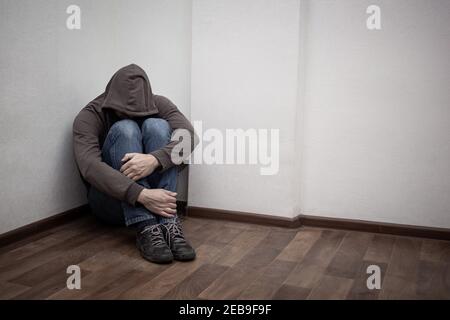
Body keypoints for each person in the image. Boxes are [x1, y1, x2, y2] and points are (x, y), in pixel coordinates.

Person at [72, 64, 197, 264]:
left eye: (139, 112)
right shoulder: (88, 116)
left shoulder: (159, 103)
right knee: (125, 129)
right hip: (111, 204)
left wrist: (155, 160)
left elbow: (189, 137)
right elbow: (89, 167)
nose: (133, 116)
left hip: (160, 203)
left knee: (157, 125)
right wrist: (141, 194)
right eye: (124, 111)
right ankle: (145, 225)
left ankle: (168, 221)